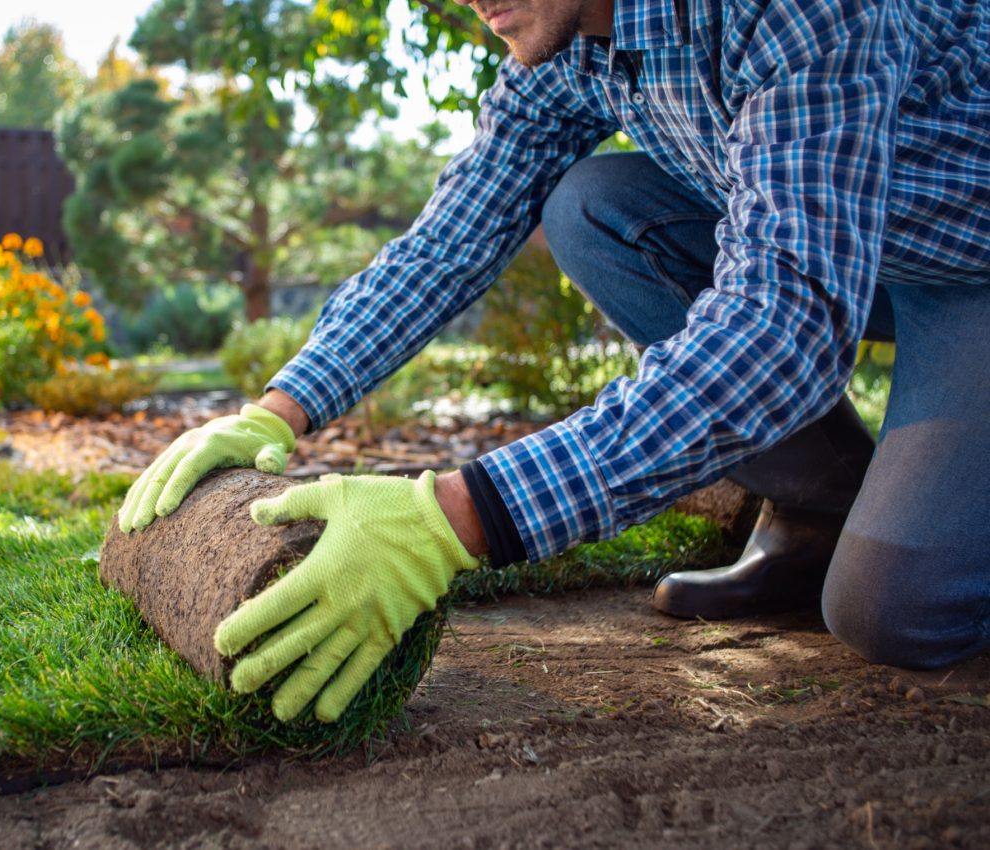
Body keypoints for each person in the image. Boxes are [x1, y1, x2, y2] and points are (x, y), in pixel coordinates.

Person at [117, 0, 990, 724]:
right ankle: (821, 508)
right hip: (864, 244)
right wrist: (279, 407)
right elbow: (455, 234)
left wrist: (458, 516)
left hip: (971, 265)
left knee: (892, 613)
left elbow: (782, 327)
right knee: (592, 208)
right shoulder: (570, 41)